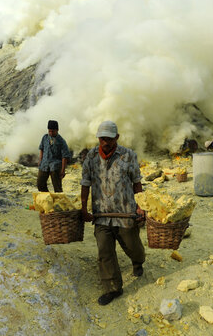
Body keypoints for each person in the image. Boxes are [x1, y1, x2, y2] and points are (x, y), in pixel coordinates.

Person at [80, 120, 146, 306]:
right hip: (101, 215)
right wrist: (84, 208)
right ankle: (112, 288)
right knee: (104, 250)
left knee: (133, 246)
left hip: (125, 212)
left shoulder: (128, 156)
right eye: (102, 139)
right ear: (98, 139)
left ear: (116, 137)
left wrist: (140, 206)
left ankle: (138, 261)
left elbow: (137, 182)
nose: (105, 143)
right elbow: (85, 184)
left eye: (109, 139)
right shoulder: (91, 157)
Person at [37, 120, 71, 192]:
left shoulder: (61, 141)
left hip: (55, 166)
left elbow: (64, 157)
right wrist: (40, 160)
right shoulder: (45, 137)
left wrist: (63, 170)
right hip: (44, 164)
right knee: (40, 184)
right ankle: (48, 198)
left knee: (57, 187)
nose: (51, 133)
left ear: (57, 130)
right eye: (49, 131)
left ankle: (58, 201)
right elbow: (41, 148)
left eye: (53, 131)